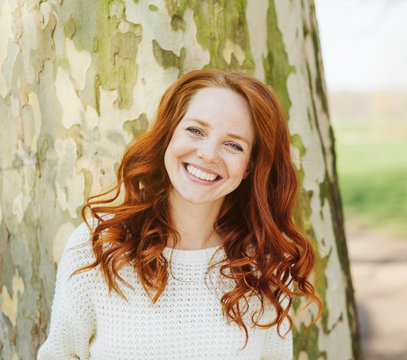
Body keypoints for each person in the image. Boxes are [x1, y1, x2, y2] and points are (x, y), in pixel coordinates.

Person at [37, 69, 322, 359]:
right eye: (195, 131)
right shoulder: (98, 244)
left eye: (234, 145)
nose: (208, 154)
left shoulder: (266, 261)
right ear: (169, 134)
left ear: (250, 166)